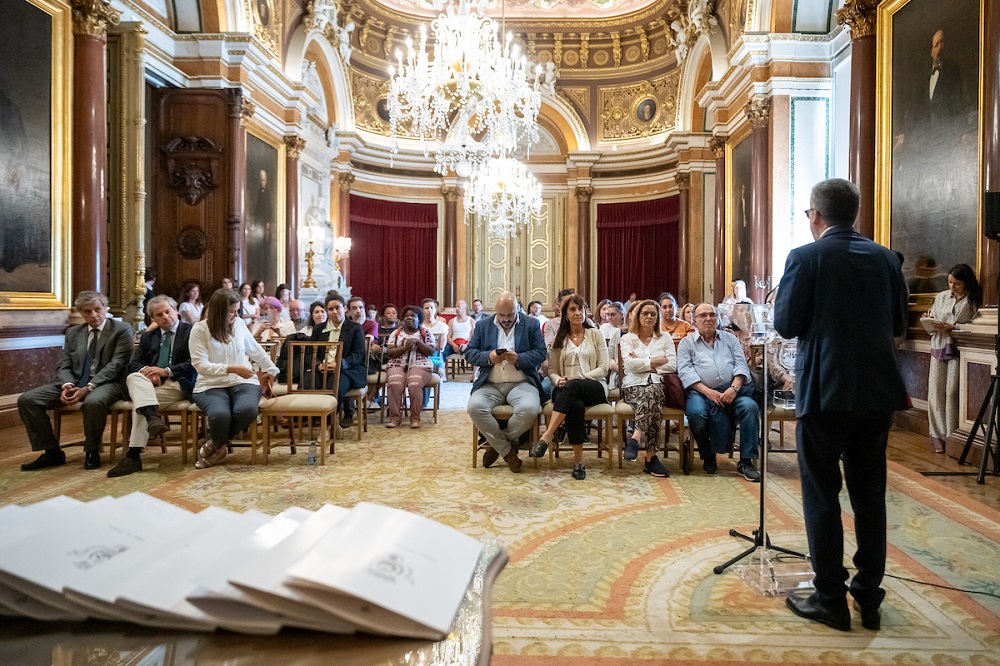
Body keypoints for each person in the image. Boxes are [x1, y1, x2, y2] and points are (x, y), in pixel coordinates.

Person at [775, 178, 908, 632]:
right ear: (855, 213)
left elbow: (787, 324)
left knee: (821, 491)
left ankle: (830, 597)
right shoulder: (887, 259)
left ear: (816, 214)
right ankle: (868, 596)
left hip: (825, 393)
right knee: (870, 494)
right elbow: (898, 324)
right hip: (876, 393)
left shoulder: (805, 257)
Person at [18, 292, 134, 472]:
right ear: (80, 313)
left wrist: (88, 387)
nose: (94, 315)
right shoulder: (74, 333)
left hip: (109, 383)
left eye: (98, 309)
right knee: (28, 399)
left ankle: (92, 450)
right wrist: (67, 385)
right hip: (75, 382)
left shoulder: (122, 329)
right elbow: (64, 364)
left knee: (93, 401)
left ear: (105, 309)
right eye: (87, 312)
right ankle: (52, 452)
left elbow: (117, 365)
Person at [107, 296, 197, 477]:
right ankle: (152, 419)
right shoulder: (149, 337)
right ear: (153, 319)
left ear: (176, 311)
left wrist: (165, 371)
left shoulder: (192, 332)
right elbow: (135, 363)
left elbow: (194, 363)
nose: (165, 317)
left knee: (140, 403)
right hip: (150, 384)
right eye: (159, 315)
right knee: (134, 376)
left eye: (168, 312)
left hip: (179, 383)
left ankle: (133, 455)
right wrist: (149, 372)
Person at [189, 286, 278, 469]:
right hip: (210, 385)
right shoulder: (199, 330)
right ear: (218, 311)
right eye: (231, 312)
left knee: (246, 410)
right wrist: (232, 369)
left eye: (237, 311)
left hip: (243, 381)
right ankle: (220, 448)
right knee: (219, 415)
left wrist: (273, 369)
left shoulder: (238, 324)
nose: (236, 316)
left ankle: (215, 444)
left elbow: (255, 350)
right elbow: (200, 366)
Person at [677, 303, 760, 481]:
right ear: (694, 321)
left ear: (718, 318)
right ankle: (708, 455)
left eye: (712, 315)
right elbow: (685, 372)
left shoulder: (730, 340)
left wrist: (734, 388)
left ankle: (746, 461)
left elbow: (741, 366)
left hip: (732, 390)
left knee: (750, 408)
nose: (708, 319)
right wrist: (708, 392)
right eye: (703, 316)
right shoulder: (686, 343)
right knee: (696, 413)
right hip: (699, 391)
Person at [529, 295, 610, 480]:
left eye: (581, 309)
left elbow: (603, 368)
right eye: (573, 309)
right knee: (575, 406)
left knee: (573, 387)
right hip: (565, 388)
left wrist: (580, 377)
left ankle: (547, 436)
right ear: (565, 314)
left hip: (594, 385)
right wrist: (558, 381)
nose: (578, 313)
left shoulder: (595, 334)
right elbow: (553, 371)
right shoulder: (560, 339)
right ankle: (579, 462)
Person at [465, 291, 547, 473]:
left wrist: (519, 358)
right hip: (490, 384)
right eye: (502, 315)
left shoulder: (531, 324)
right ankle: (509, 451)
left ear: (517, 309)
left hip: (522, 383)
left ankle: (498, 447)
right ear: (495, 311)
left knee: (529, 410)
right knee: (474, 407)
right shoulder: (483, 325)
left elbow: (541, 353)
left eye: (511, 314)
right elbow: (469, 353)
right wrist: (489, 357)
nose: (507, 319)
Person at [925, 263, 981, 453]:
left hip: (959, 349)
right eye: (949, 282)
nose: (952, 287)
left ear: (966, 283)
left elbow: (975, 326)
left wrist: (954, 327)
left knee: (951, 392)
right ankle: (938, 435)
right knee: (935, 392)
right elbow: (933, 316)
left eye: (957, 284)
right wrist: (929, 319)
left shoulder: (973, 300)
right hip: (938, 346)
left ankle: (953, 436)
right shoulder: (940, 297)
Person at [618, 300, 675, 477]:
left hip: (658, 384)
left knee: (653, 392)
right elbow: (629, 365)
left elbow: (673, 364)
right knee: (653, 401)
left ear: (658, 318)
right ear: (638, 316)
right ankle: (651, 458)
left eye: (653, 314)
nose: (649, 317)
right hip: (632, 386)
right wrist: (655, 361)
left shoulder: (665, 338)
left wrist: (643, 362)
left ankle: (635, 438)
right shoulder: (627, 338)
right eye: (645, 313)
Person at [310, 293, 368, 430]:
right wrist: (319, 365)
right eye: (330, 309)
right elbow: (310, 353)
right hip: (322, 368)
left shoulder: (354, 328)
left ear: (345, 309)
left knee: (334, 385)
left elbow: (359, 354)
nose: (334, 312)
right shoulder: (319, 329)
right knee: (307, 383)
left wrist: (340, 364)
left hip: (348, 369)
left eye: (338, 308)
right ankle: (318, 419)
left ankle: (327, 425)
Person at [384, 305, 436, 429]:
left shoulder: (425, 332)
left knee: (414, 384)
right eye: (406, 316)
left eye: (413, 316)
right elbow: (390, 352)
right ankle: (395, 418)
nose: (409, 318)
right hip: (397, 364)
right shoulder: (396, 333)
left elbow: (431, 352)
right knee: (395, 384)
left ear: (419, 318)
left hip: (420, 365)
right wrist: (405, 348)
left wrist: (417, 342)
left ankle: (415, 418)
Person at [422, 298, 449, 381]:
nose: (429, 310)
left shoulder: (442, 326)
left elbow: (441, 346)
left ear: (435, 309)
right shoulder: (420, 325)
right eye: (426, 308)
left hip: (436, 355)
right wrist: (434, 343)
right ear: (422, 310)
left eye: (432, 308)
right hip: (421, 354)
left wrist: (424, 345)